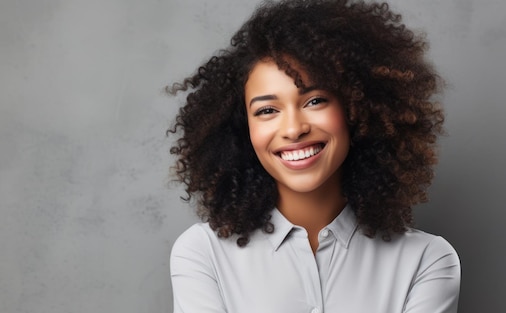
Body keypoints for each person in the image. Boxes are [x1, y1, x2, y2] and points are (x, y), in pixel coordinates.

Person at [167, 0, 461, 312]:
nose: (293, 129)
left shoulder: (426, 261)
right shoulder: (203, 254)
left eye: (315, 101)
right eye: (267, 110)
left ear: (356, 109)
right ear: (242, 129)